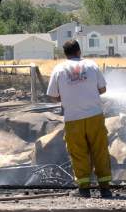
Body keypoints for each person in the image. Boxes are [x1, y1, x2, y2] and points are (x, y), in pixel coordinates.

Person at [47, 40, 112, 198]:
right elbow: (102, 89)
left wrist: (68, 94)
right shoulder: (91, 65)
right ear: (79, 51)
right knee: (100, 150)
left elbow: (53, 97)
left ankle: (84, 190)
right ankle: (105, 189)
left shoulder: (58, 69)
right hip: (95, 116)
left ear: (65, 53)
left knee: (78, 153)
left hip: (73, 119)